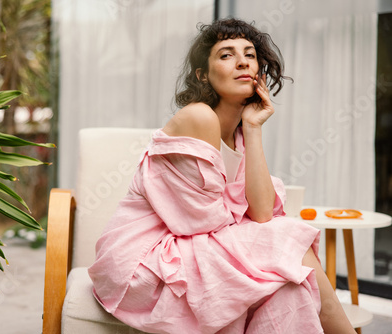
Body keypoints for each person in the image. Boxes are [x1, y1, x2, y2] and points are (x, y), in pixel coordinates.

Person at [88, 18, 356, 334]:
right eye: (226, 54)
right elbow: (202, 222)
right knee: (287, 238)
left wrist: (254, 128)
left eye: (250, 54)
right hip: (146, 262)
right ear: (203, 74)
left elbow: (261, 214)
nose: (243, 60)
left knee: (290, 289)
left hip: (203, 251)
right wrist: (259, 226)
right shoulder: (198, 117)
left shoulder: (241, 135)